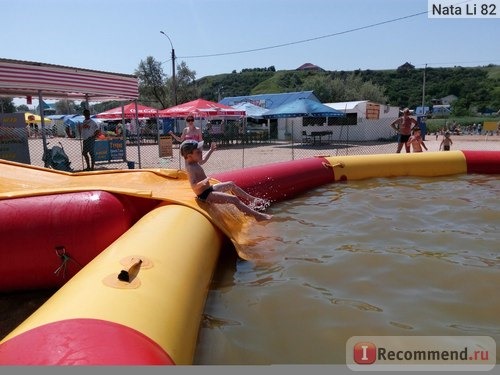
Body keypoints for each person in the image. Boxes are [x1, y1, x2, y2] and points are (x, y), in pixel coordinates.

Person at [180, 140, 272, 222]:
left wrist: (211, 150)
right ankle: (258, 216)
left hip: (209, 189)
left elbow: (203, 160)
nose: (201, 152)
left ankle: (251, 199)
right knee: (234, 199)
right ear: (189, 156)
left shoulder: (194, 161)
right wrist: (203, 182)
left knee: (231, 184)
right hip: (204, 195)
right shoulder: (190, 168)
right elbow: (193, 186)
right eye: (198, 152)